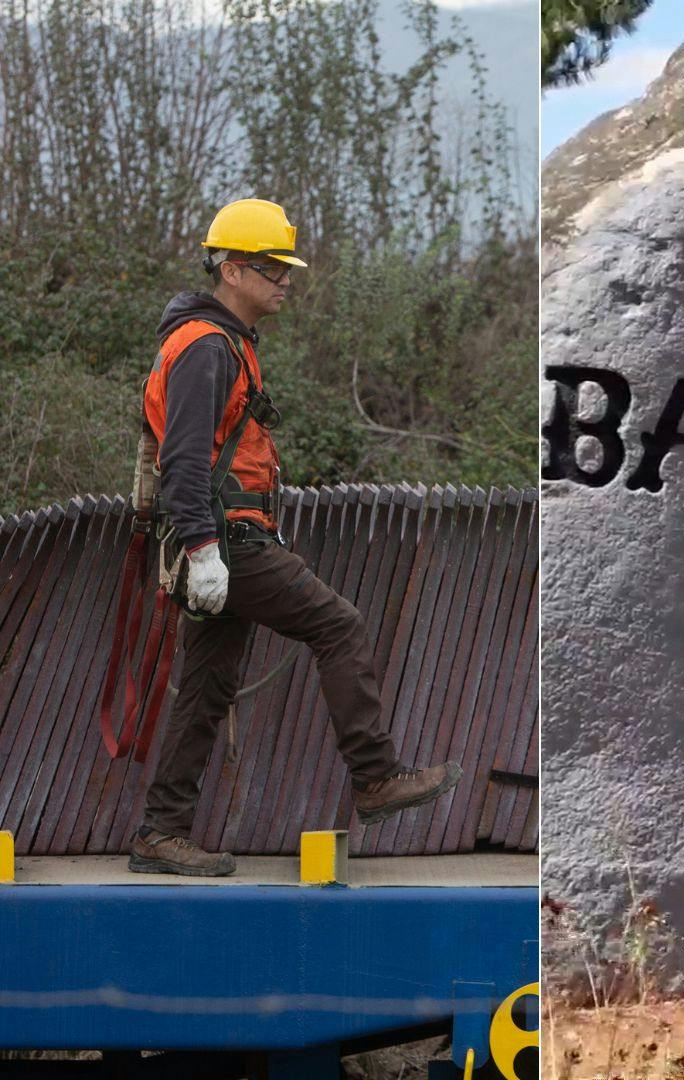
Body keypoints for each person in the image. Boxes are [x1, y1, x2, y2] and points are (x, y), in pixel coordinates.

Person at [128, 198, 461, 877]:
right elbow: (185, 460)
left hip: (225, 537)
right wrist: (202, 550)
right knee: (338, 626)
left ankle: (160, 834)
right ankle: (374, 778)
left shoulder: (221, 343)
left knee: (205, 689)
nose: (286, 280)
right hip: (227, 539)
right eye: (273, 267)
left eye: (286, 268)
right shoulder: (206, 348)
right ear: (232, 269)